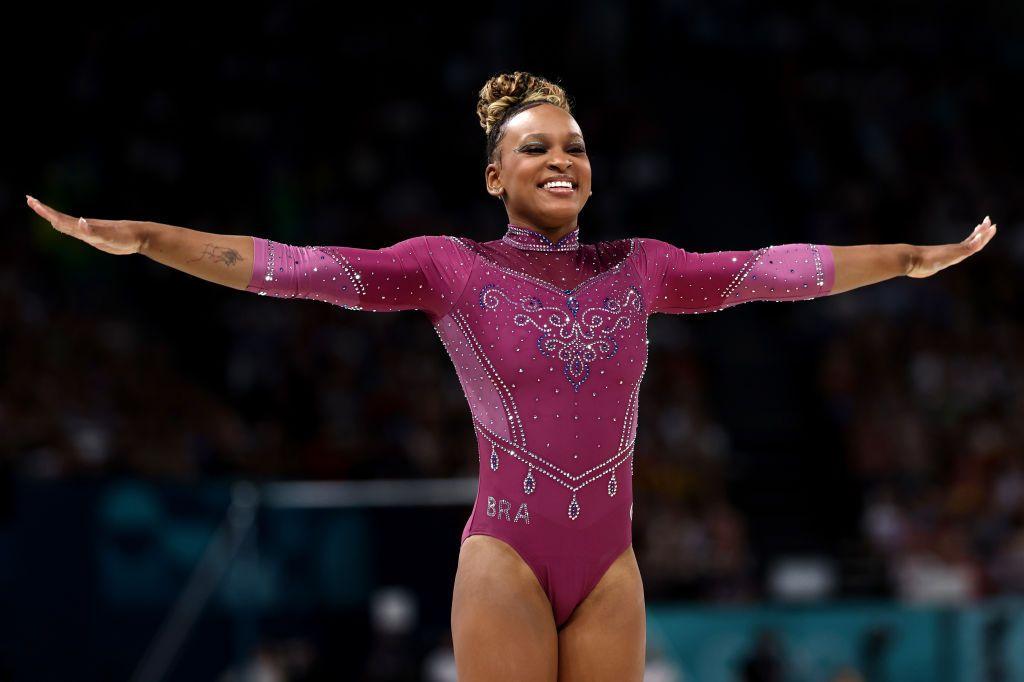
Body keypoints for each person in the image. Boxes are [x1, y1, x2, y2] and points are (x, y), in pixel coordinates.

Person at [26, 70, 997, 682]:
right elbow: (288, 264)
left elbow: (781, 269)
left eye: (574, 144)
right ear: (496, 175)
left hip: (610, 564)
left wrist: (909, 258)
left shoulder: (642, 265)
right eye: (536, 146)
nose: (562, 157)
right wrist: (152, 239)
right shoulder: (446, 267)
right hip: (507, 558)